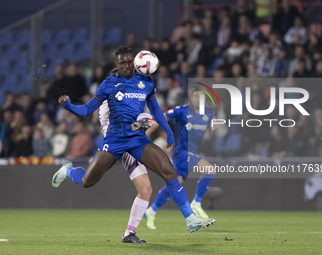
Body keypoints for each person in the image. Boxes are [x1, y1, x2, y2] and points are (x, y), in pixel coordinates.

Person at [51, 47, 215, 242]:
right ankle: (69, 171)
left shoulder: (145, 82)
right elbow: (87, 110)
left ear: (136, 62)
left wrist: (169, 134)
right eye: (123, 63)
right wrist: (69, 106)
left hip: (137, 140)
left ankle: (189, 219)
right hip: (114, 141)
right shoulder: (109, 84)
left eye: (130, 61)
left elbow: (156, 111)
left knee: (167, 173)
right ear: (117, 65)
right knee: (88, 181)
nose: (128, 65)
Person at [144, 89, 218, 230]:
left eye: (202, 97)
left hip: (192, 152)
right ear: (191, 98)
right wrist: (147, 132)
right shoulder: (182, 111)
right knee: (209, 170)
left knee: (175, 183)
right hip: (181, 152)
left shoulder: (209, 114)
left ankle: (151, 211)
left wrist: (215, 131)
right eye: (196, 96)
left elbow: (215, 138)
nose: (199, 99)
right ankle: (196, 203)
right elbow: (161, 118)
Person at [99, 100, 153, 243]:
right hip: (117, 141)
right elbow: (113, 128)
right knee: (88, 180)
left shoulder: (130, 92)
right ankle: (70, 171)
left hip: (131, 141)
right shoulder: (111, 93)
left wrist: (143, 124)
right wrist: (140, 125)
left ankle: (129, 233)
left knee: (146, 190)